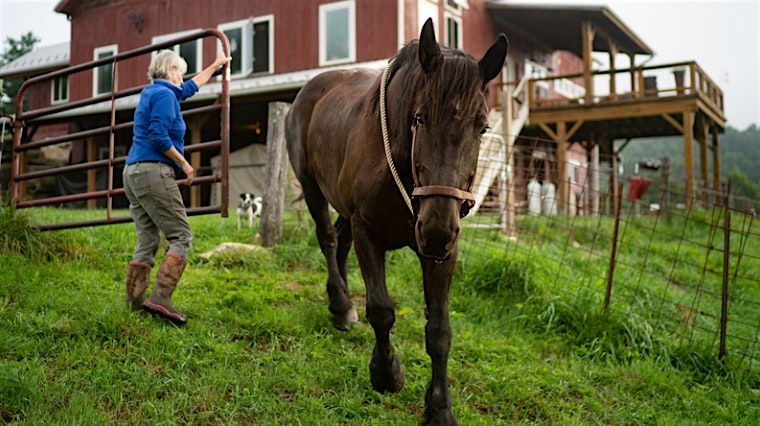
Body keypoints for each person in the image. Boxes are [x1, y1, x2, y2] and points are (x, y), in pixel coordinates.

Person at [123, 50, 230, 325]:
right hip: (153, 171)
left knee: (147, 239)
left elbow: (191, 87)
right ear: (171, 69)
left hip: (132, 172)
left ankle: (133, 303)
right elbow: (159, 136)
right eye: (180, 71)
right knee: (181, 235)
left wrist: (215, 66)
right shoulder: (164, 96)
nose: (183, 77)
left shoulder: (155, 92)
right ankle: (161, 298)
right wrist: (184, 163)